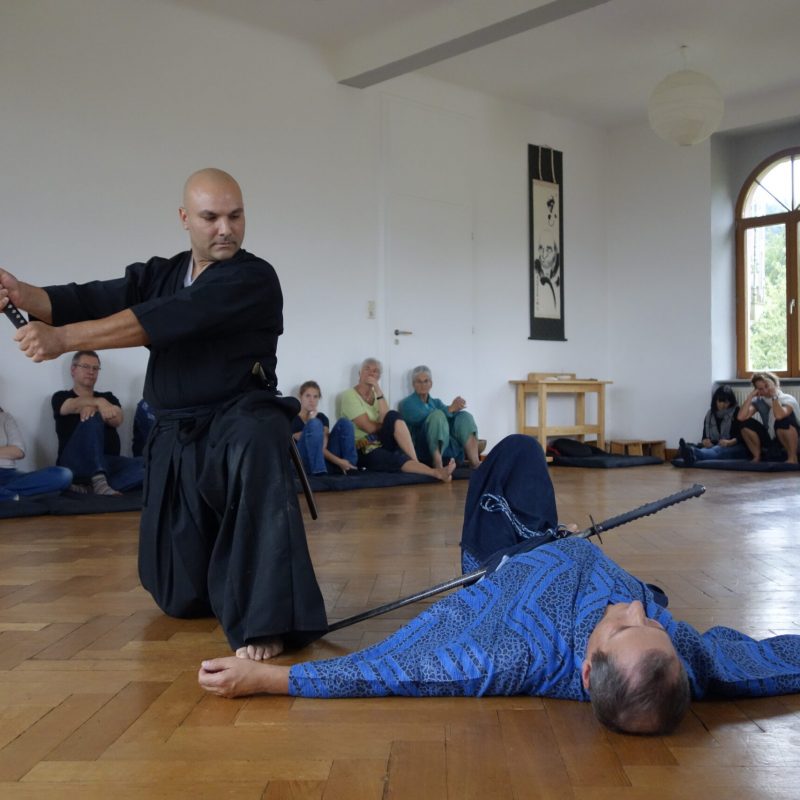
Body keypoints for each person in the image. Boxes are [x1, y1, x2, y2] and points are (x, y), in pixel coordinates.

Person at [199, 434, 800, 735]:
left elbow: (394, 669)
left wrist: (272, 680)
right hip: (558, 541)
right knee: (527, 456)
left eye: (621, 626)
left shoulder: (510, 650)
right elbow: (764, 661)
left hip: (501, 566)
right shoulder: (678, 661)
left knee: (513, 454)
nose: (639, 608)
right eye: (653, 625)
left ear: (588, 670)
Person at [0, 167, 327, 658]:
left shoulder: (252, 276)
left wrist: (63, 340)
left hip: (237, 418)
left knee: (260, 435)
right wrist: (25, 295)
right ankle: (221, 586)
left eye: (235, 216)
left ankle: (267, 620)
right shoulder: (162, 273)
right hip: (178, 431)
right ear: (184, 218)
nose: (226, 229)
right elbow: (89, 297)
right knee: (177, 596)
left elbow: (168, 318)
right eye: (211, 217)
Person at [340, 358, 455, 482]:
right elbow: (369, 428)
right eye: (367, 369)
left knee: (393, 415)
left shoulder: (377, 395)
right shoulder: (349, 395)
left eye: (376, 371)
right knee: (395, 458)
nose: (371, 373)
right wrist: (384, 425)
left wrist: (377, 389)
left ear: (379, 376)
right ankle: (435, 473)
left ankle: (416, 463)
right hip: (363, 446)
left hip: (381, 441)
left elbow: (386, 418)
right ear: (360, 373)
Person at [52, 350, 145, 495]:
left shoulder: (108, 397)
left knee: (148, 465)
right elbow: (69, 406)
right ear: (73, 369)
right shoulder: (60, 396)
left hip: (108, 463)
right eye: (86, 366)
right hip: (74, 462)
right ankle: (98, 481)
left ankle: (91, 488)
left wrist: (100, 403)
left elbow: (117, 420)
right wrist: (99, 404)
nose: (91, 371)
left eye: (95, 368)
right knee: (93, 416)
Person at [398, 365, 481, 468]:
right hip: (423, 449)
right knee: (437, 415)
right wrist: (450, 409)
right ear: (413, 384)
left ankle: (475, 462)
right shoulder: (407, 403)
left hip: (446, 446)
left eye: (426, 381)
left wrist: (456, 408)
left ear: (431, 384)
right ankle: (438, 464)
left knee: (465, 416)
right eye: (419, 381)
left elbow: (449, 415)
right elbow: (424, 417)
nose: (422, 385)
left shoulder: (436, 402)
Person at [0, 404, 72, 502]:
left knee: (64, 474)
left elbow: (18, 451)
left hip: (9, 475)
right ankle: (16, 497)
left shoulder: (5, 417)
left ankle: (8, 495)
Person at [292, 380, 358, 475]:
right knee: (314, 424)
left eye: (315, 397)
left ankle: (350, 466)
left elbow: (323, 446)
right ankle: (321, 471)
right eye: (308, 396)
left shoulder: (322, 417)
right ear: (300, 396)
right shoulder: (292, 418)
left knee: (345, 422)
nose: (312, 400)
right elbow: (313, 446)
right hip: (305, 462)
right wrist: (339, 462)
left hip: (325, 459)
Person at [736, 372, 800, 463]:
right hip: (771, 435)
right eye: (761, 389)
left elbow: (779, 415)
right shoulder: (759, 401)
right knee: (744, 423)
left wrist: (774, 395)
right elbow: (741, 417)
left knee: (782, 421)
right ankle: (757, 456)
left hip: (791, 435)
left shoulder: (787, 399)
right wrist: (750, 397)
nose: (765, 391)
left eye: (767, 386)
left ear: (775, 385)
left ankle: (792, 457)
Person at [678, 384, 748, 464]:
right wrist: (705, 441)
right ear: (715, 400)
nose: (722, 405)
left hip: (734, 446)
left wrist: (729, 442)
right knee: (710, 449)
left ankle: (691, 452)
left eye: (726, 402)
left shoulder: (737, 412)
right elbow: (704, 436)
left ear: (731, 402)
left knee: (719, 451)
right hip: (714, 446)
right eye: (720, 401)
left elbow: (742, 435)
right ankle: (690, 453)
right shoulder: (710, 414)